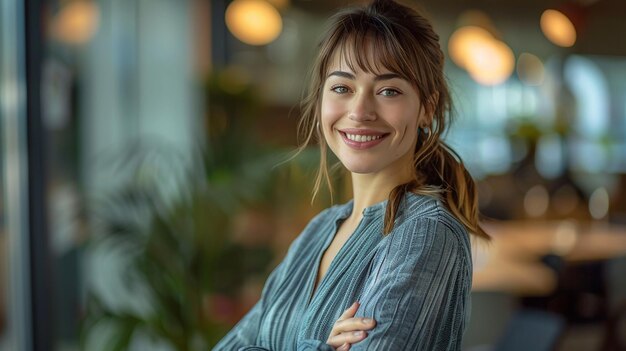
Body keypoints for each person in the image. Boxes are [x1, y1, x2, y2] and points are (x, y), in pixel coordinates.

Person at [213, 0, 489, 350]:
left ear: (427, 108)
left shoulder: (424, 232)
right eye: (342, 88)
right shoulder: (319, 231)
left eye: (389, 90)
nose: (359, 111)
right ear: (320, 102)